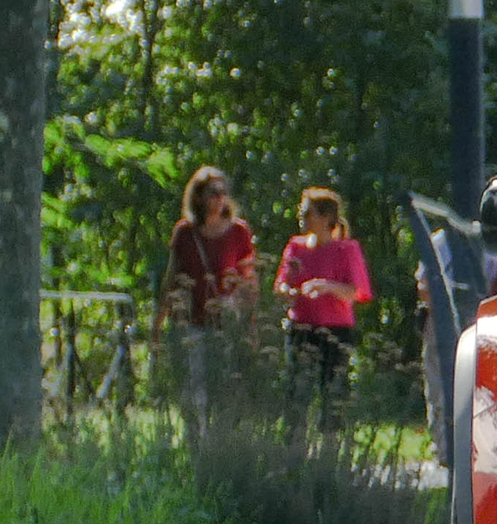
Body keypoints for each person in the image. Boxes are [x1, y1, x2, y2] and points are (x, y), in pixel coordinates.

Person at [158, 165, 256, 419]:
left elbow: (249, 282)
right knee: (194, 392)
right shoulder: (185, 232)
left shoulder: (238, 232)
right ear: (198, 197)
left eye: (223, 192)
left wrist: (250, 325)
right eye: (213, 192)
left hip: (226, 323)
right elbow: (171, 279)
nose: (219, 198)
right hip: (192, 323)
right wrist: (157, 325)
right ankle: (197, 449)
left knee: (224, 390)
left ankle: (219, 448)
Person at [276, 187, 374, 432]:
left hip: (336, 330)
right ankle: (294, 447)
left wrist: (328, 286)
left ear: (325, 217)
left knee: (333, 392)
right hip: (302, 327)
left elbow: (357, 292)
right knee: (297, 392)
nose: (302, 217)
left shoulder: (346, 249)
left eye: (308, 213)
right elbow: (281, 283)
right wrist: (288, 291)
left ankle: (330, 450)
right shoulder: (296, 247)